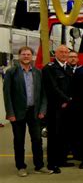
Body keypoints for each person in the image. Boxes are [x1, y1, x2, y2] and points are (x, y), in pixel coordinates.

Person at [3, 46, 52, 177]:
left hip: (34, 112)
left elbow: (43, 94)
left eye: (28, 54)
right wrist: (10, 113)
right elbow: (7, 94)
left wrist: (42, 110)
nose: (26, 56)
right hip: (17, 112)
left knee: (37, 140)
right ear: (19, 56)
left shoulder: (38, 72)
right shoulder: (11, 72)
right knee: (19, 141)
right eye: (23, 54)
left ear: (32, 56)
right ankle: (21, 167)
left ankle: (39, 165)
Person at [42, 45, 75, 173]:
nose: (64, 54)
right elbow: (53, 88)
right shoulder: (49, 68)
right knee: (54, 136)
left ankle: (62, 159)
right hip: (55, 107)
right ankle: (52, 163)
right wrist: (66, 100)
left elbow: (72, 87)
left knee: (64, 134)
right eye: (61, 52)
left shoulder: (68, 68)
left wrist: (69, 100)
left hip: (67, 107)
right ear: (55, 54)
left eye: (66, 52)